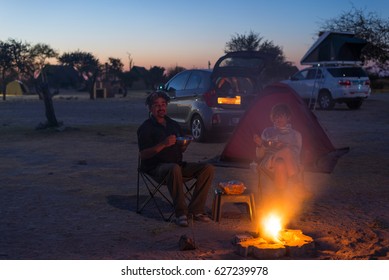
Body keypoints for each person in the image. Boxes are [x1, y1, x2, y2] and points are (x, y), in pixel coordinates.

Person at [137, 91, 215, 227]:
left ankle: (196, 211)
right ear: (150, 108)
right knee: (174, 168)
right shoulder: (146, 128)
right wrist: (163, 144)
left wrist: (184, 145)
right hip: (156, 168)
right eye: (156, 105)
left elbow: (181, 147)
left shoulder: (173, 125)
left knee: (208, 168)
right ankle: (181, 213)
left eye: (163, 104)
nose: (160, 107)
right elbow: (143, 154)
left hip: (178, 165)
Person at [253, 103, 302, 192]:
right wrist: (260, 144)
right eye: (275, 117)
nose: (277, 119)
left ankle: (280, 198)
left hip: (289, 164)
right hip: (269, 163)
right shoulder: (267, 131)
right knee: (285, 151)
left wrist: (283, 147)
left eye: (281, 116)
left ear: (288, 117)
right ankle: (297, 183)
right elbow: (259, 156)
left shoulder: (295, 135)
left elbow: (296, 154)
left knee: (281, 163)